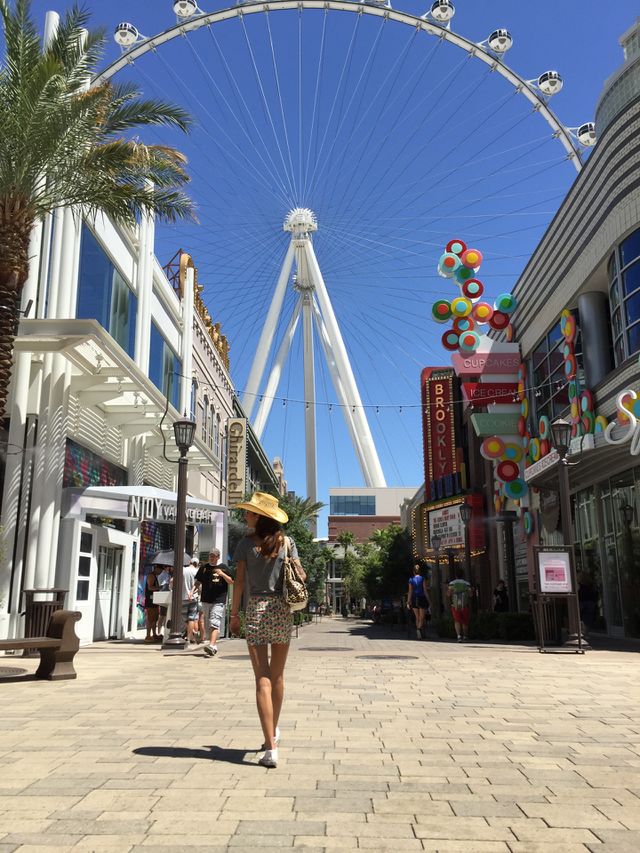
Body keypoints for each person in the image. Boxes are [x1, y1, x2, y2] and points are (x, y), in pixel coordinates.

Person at [230, 492, 305, 769]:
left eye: (249, 512)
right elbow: (302, 576)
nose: (245, 515)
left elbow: (239, 582)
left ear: (259, 516)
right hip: (282, 611)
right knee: (278, 676)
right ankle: (272, 732)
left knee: (262, 677)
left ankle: (271, 746)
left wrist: (235, 614)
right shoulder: (288, 543)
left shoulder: (245, 545)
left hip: (256, 610)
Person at [195, 548, 234, 657]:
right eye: (210, 556)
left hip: (219, 600)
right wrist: (191, 592)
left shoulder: (224, 568)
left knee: (215, 622)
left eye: (214, 556)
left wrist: (222, 574)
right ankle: (213, 645)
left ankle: (211, 645)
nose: (211, 558)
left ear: (218, 557)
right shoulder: (204, 568)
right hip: (206, 600)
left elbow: (231, 581)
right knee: (208, 625)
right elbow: (198, 581)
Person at [447, 568, 473, 642]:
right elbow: (470, 595)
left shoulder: (452, 583)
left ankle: (459, 636)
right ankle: (465, 636)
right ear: (463, 575)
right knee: (465, 621)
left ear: (456, 575)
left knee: (457, 621)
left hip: (454, 605)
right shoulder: (467, 584)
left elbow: (448, 594)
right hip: (465, 605)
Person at [407, 564, 430, 639]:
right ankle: (419, 630)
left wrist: (408, 601)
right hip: (421, 598)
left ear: (414, 572)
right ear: (419, 572)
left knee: (417, 617)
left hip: (414, 598)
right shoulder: (422, 578)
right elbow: (425, 590)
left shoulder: (411, 579)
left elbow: (410, 591)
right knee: (422, 618)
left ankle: (418, 634)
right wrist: (429, 600)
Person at [181, 557, 199, 644]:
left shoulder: (183, 570)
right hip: (194, 597)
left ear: (190, 562)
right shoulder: (197, 571)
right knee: (191, 618)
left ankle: (190, 636)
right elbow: (199, 585)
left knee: (184, 618)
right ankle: (190, 637)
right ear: (197, 564)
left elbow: (173, 581)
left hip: (183, 596)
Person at [144, 566, 160, 643]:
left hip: (154, 600)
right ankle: (148, 635)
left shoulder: (155, 576)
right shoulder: (151, 576)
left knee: (154, 618)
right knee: (150, 618)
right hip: (150, 600)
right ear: (157, 569)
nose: (161, 572)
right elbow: (150, 587)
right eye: (160, 569)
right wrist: (159, 588)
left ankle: (154, 634)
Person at [156, 565, 172, 637]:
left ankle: (161, 631)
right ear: (166, 567)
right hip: (164, 596)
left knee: (164, 615)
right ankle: (159, 632)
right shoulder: (163, 575)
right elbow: (163, 585)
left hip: (166, 595)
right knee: (162, 615)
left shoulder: (167, 574)